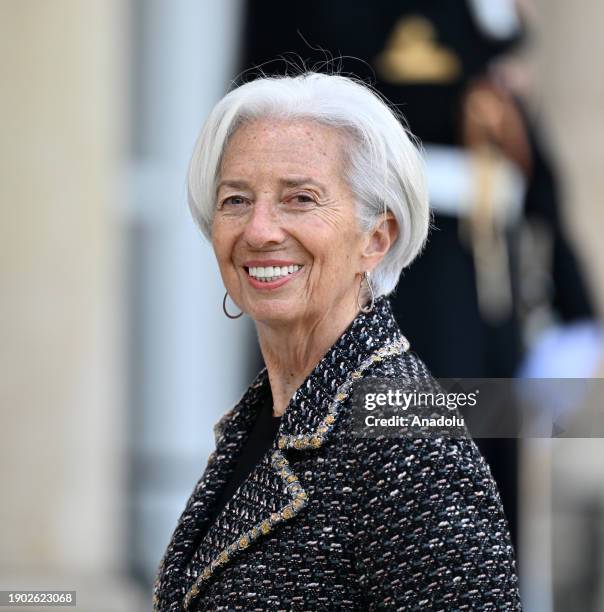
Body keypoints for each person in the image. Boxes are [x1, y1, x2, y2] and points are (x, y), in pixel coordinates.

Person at [152, 72, 522, 611]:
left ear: (377, 238)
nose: (259, 231)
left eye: (299, 198)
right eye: (236, 200)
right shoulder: (264, 418)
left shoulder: (405, 436)